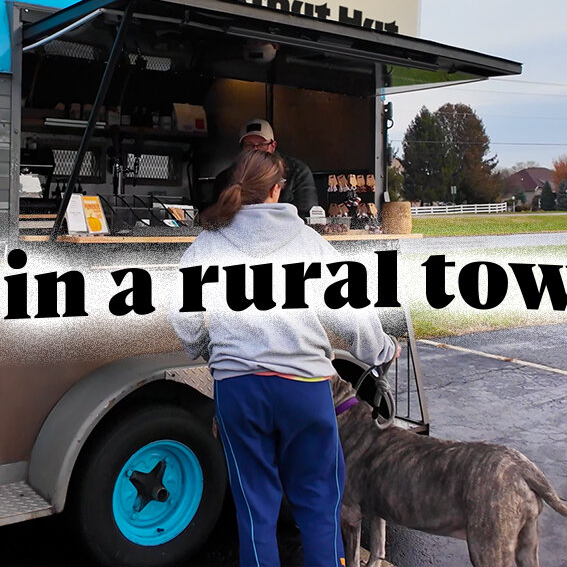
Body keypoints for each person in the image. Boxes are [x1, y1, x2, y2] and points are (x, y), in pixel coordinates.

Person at [169, 149, 399, 567]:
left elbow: (183, 318)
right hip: (304, 390)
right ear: (278, 189)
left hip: (238, 390)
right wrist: (382, 349)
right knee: (318, 505)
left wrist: (208, 351)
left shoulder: (207, 244)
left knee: (255, 510)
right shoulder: (308, 242)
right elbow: (351, 314)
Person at [213, 119, 319, 217]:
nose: (255, 150)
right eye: (248, 145)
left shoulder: (298, 171)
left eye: (262, 144)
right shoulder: (226, 177)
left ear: (273, 146)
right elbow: (218, 217)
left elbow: (307, 215)